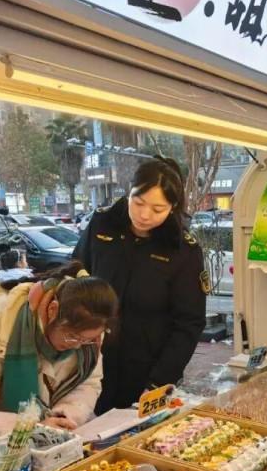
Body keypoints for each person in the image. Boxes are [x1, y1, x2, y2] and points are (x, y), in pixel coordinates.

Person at [0, 262, 118, 471]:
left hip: (46, 455)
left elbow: (88, 383)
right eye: (72, 337)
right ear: (52, 310)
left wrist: (67, 414)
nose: (78, 345)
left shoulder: (90, 331)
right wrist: (34, 429)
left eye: (87, 340)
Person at [74, 157, 207, 414]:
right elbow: (76, 276)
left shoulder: (183, 251)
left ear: (172, 207)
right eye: (138, 202)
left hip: (147, 372)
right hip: (91, 364)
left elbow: (189, 323)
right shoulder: (102, 225)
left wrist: (159, 381)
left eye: (158, 209)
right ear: (129, 191)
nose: (145, 215)